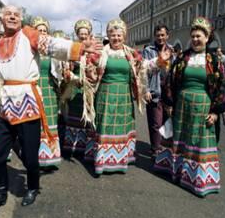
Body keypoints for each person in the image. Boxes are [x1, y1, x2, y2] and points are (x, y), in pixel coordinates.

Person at [0, 5, 101, 212]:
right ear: (1, 19)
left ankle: (32, 187)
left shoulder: (28, 35)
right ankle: (0, 191)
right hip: (6, 105)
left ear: (21, 19)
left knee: (31, 155)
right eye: (8, 14)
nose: (13, 17)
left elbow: (51, 44)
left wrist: (77, 47)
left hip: (28, 103)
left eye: (16, 14)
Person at [154, 17, 225, 197]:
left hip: (203, 107)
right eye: (193, 36)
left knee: (198, 141)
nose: (195, 39)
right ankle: (178, 172)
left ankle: (198, 180)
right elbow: (171, 81)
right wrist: (170, 104)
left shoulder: (214, 60)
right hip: (181, 106)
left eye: (199, 36)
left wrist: (216, 112)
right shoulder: (182, 57)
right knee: (180, 139)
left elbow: (221, 86)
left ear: (207, 37)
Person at [90, 19, 170, 175]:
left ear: (124, 36)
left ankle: (119, 160)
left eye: (119, 35)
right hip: (105, 97)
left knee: (122, 127)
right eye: (113, 35)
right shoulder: (101, 53)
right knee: (105, 127)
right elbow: (90, 70)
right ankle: (103, 161)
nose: (116, 38)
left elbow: (144, 67)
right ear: (108, 36)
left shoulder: (131, 53)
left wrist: (159, 60)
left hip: (124, 97)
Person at [60, 19, 99, 160]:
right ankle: (72, 146)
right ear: (77, 34)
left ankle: (86, 148)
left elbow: (98, 70)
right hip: (74, 89)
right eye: (80, 33)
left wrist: (92, 74)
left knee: (87, 118)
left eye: (85, 33)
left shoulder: (95, 52)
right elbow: (65, 70)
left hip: (88, 91)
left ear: (89, 34)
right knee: (73, 117)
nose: (83, 36)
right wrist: (73, 76)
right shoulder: (72, 51)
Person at [31, 16, 62, 169]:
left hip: (49, 89)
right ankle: (34, 155)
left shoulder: (52, 50)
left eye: (44, 30)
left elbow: (58, 71)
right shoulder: (29, 48)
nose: (42, 33)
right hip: (33, 88)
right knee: (34, 122)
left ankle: (50, 156)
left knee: (49, 122)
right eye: (39, 30)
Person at [142, 25, 173, 156]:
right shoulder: (149, 50)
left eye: (162, 35)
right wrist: (146, 89)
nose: (160, 37)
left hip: (168, 92)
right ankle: (155, 150)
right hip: (154, 91)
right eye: (158, 35)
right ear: (155, 36)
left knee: (167, 122)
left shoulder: (171, 50)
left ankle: (165, 149)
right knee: (155, 122)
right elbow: (143, 71)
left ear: (167, 36)